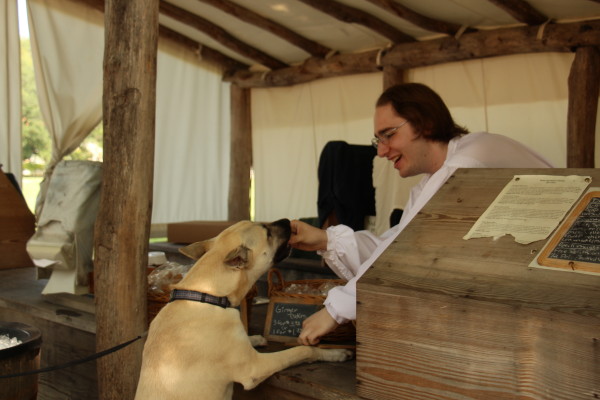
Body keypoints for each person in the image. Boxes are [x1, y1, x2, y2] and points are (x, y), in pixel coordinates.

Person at [289, 82, 554, 346]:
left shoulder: (464, 166)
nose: (381, 151)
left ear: (425, 124)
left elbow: (408, 256)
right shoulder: (433, 181)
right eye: (378, 140)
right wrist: (326, 240)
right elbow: (395, 247)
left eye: (388, 135)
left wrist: (337, 309)